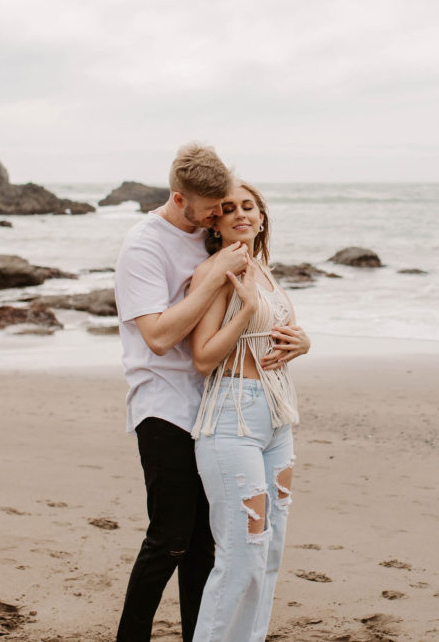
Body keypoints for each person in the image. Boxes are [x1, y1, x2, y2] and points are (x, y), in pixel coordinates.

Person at [114, 143, 251, 642]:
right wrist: (209, 277)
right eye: (210, 206)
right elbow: (158, 335)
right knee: (168, 538)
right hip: (161, 403)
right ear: (178, 197)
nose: (218, 214)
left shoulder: (207, 237)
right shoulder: (143, 246)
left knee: (204, 546)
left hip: (213, 406)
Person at [187, 181, 311, 642]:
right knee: (242, 554)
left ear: (261, 217)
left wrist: (304, 342)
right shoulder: (217, 273)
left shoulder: (265, 270)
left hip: (278, 420)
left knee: (269, 552)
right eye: (229, 209)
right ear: (214, 223)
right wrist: (246, 312)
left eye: (249, 206)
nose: (241, 213)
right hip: (231, 420)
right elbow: (202, 357)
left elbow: (283, 333)